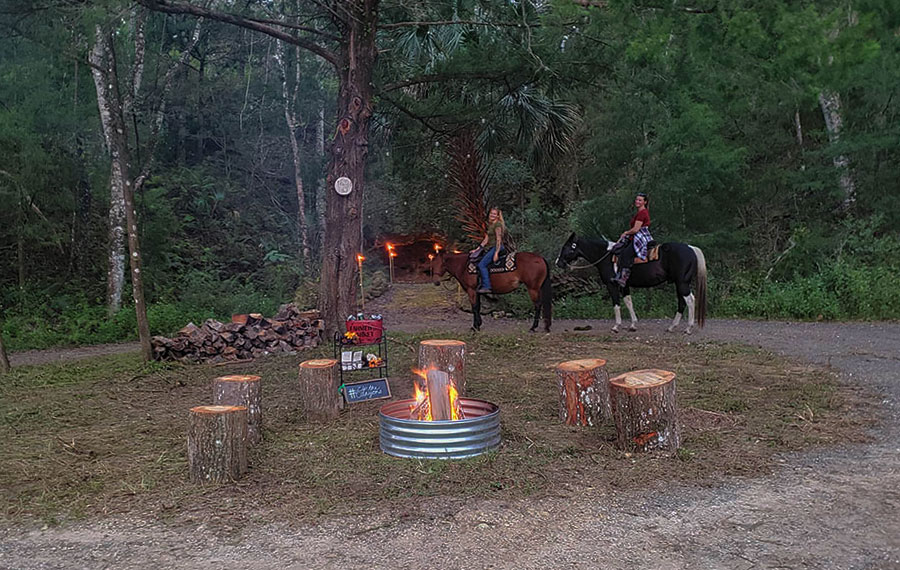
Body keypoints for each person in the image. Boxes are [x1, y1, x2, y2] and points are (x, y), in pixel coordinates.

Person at [614, 193, 653, 287]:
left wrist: (626, 233)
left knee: (626, 254)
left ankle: (623, 278)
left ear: (645, 202)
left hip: (640, 237)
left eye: (640, 200)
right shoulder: (641, 212)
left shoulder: (642, 213)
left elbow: (636, 229)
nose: (637, 201)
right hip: (637, 236)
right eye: (637, 200)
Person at [470, 207, 507, 294]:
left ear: (498, 216)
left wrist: (496, 253)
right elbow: (486, 239)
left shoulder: (497, 225)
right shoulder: (490, 225)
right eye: (491, 213)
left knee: (481, 265)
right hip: (490, 247)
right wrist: (477, 249)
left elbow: (499, 239)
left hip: (496, 247)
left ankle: (487, 286)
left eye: (494, 214)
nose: (492, 215)